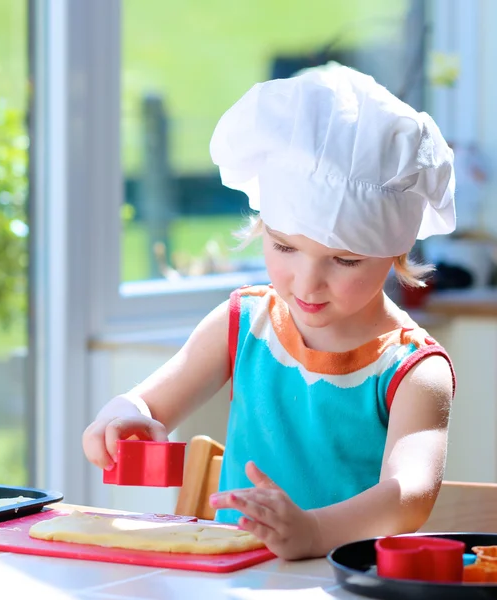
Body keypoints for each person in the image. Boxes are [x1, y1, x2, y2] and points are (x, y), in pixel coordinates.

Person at [83, 63, 457, 560]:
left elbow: (409, 496)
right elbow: (149, 403)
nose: (306, 282)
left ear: (395, 249)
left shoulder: (415, 370)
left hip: (339, 583)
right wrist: (123, 415)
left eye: (344, 260)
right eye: (283, 248)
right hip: (231, 578)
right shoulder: (245, 323)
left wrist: (314, 533)